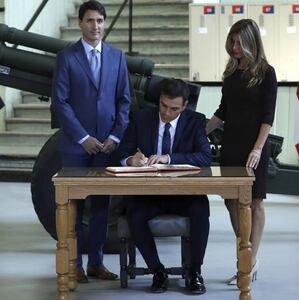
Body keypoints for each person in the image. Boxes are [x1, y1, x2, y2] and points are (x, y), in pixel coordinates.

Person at [52, 0, 130, 283]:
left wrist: (114, 136)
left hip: (106, 147)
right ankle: (74, 266)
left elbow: (124, 101)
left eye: (99, 21)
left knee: (100, 206)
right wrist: (83, 137)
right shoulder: (66, 57)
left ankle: (96, 263)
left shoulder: (117, 57)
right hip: (76, 146)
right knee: (73, 208)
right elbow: (60, 103)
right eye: (89, 21)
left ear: (104, 23)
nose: (95, 26)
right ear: (80, 23)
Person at [117, 78, 211, 294]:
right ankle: (157, 271)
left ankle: (194, 272)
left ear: (185, 106)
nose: (167, 113)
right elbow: (122, 151)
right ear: (159, 100)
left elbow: (205, 157)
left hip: (183, 195)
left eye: (174, 109)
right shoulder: (141, 118)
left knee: (200, 212)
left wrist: (169, 158)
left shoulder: (195, 121)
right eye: (163, 106)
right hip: (149, 194)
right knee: (135, 214)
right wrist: (131, 160)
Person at [206, 19, 277, 285]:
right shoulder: (231, 73)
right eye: (232, 42)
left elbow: (268, 117)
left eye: (239, 42)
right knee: (231, 201)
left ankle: (249, 260)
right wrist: (197, 132)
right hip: (232, 145)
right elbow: (223, 110)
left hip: (254, 146)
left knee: (255, 202)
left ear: (251, 42)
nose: (234, 47)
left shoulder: (266, 73)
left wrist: (258, 149)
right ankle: (244, 246)